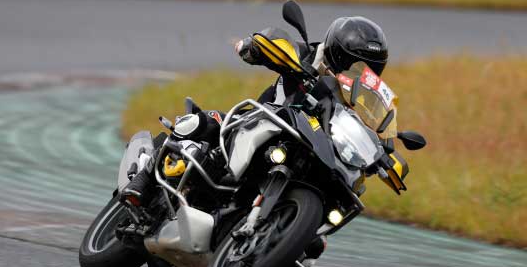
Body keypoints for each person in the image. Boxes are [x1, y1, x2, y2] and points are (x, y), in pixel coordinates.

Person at [121, 16, 389, 206]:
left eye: (369, 68)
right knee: (202, 122)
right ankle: (144, 178)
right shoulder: (305, 55)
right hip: (260, 121)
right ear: (336, 51)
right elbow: (264, 45)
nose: (358, 71)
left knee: (331, 208)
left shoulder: (361, 99)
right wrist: (255, 47)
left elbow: (370, 127)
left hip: (310, 149)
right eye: (353, 62)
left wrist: (383, 150)